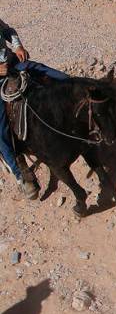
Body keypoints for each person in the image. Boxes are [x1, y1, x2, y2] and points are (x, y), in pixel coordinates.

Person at [0, 18, 68, 199]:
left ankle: (77, 88)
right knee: (0, 131)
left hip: (12, 64)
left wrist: (18, 46)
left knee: (43, 70)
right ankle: (19, 174)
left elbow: (8, 31)